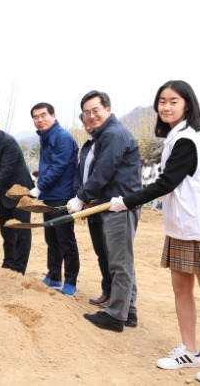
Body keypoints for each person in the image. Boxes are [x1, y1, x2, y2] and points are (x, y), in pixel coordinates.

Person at [109, 80, 200, 385]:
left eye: (174, 101)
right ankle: (191, 350)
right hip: (182, 227)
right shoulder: (175, 136)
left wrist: (123, 202)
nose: (167, 107)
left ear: (187, 105)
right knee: (181, 289)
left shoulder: (187, 140)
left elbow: (166, 182)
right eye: (162, 101)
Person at [68, 91, 142, 333]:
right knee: (122, 260)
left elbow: (103, 172)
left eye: (95, 110)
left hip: (120, 206)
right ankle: (128, 310)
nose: (91, 116)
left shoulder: (113, 134)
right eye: (87, 113)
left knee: (119, 261)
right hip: (113, 204)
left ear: (107, 109)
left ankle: (115, 316)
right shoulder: (105, 135)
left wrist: (81, 197)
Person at [30, 102, 79, 296]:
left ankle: (71, 282)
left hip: (62, 196)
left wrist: (38, 187)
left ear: (53, 115)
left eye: (43, 115)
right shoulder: (46, 137)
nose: (40, 120)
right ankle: (54, 275)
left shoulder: (62, 137)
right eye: (36, 117)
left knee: (66, 240)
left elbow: (58, 167)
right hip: (49, 196)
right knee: (51, 239)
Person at [0, 109, 34, 275]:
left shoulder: (9, 142)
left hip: (20, 191)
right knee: (6, 230)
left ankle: (19, 271)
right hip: (3, 193)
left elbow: (6, 169)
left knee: (22, 231)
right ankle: (8, 264)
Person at [75, 113, 112, 308]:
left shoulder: (106, 144)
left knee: (112, 254)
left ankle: (117, 298)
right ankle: (107, 292)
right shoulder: (87, 147)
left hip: (106, 205)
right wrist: (79, 195)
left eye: (91, 123)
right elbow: (80, 174)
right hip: (90, 207)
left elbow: (103, 175)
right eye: (85, 124)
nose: (88, 127)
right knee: (101, 253)